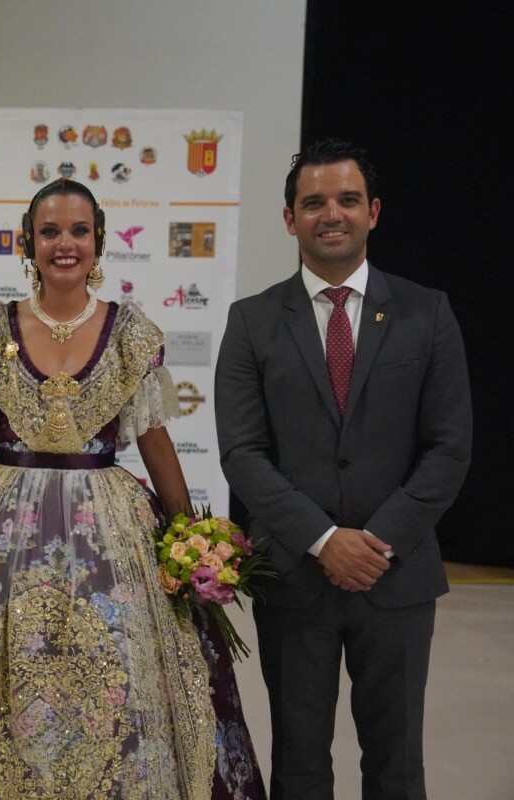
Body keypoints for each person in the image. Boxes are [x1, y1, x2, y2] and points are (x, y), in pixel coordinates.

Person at [0, 178, 265, 799]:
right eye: (50, 232)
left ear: (99, 243)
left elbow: (155, 446)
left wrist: (193, 542)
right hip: (0, 534)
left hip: (110, 532)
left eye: (79, 231)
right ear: (28, 243)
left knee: (116, 685)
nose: (64, 244)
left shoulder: (131, 333)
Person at [215, 139, 472, 799]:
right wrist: (325, 540)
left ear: (374, 212)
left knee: (397, 765)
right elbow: (243, 452)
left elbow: (449, 447)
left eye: (348, 199)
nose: (332, 213)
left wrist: (376, 542)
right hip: (295, 578)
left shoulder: (428, 313)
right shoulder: (252, 323)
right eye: (314, 202)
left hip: (399, 576)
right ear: (289, 218)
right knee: (298, 766)